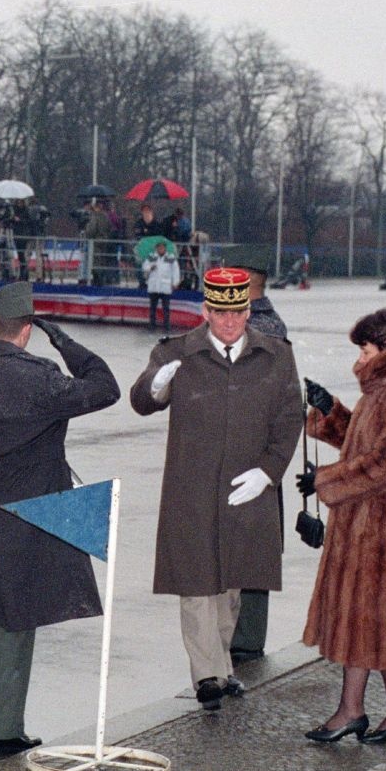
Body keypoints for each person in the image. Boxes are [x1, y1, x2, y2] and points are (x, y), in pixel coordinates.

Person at [0, 282, 120, 756]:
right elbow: (106, 387)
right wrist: (63, 341)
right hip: (28, 511)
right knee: (16, 617)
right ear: (27, 330)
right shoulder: (41, 377)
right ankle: (4, 730)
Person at [129, 266, 302, 711]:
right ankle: (207, 676)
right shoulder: (176, 351)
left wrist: (269, 472)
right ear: (206, 310)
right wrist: (157, 384)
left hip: (246, 486)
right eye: (220, 313)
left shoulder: (276, 355)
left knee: (230, 585)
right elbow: (142, 400)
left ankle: (221, 666)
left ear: (248, 310)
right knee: (196, 582)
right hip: (191, 488)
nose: (229, 322)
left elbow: (288, 419)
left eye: (237, 312)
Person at [299, 309, 386, 744]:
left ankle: (350, 711)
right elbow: (364, 443)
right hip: (376, 528)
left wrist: (323, 480)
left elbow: (383, 465)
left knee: (369, 620)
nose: (360, 357)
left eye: (366, 349)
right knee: (380, 624)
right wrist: (332, 412)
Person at [222, 248, 289, 663]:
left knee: (249, 549)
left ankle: (244, 641)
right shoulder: (266, 323)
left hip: (251, 457)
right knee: (250, 547)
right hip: (258, 457)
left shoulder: (261, 328)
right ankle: (243, 638)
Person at [141, 239, 181, 332]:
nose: (160, 249)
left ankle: (166, 327)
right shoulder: (151, 257)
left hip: (165, 287)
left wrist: (175, 282)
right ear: (156, 248)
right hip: (153, 286)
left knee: (166, 309)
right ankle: (152, 326)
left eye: (162, 247)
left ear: (165, 248)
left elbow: (176, 271)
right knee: (152, 308)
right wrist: (150, 267)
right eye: (159, 247)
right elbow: (144, 267)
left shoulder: (171, 258)